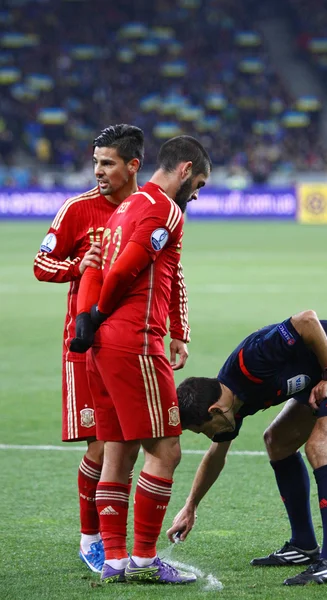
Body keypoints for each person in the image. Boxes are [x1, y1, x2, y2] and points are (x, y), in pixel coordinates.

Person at [71, 135, 212, 584]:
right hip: (134, 342)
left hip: (101, 347)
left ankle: (114, 560)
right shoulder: (164, 209)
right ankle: (147, 560)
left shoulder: (122, 209)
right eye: (200, 183)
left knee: (117, 451)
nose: (197, 193)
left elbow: (94, 265)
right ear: (185, 169)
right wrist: (96, 312)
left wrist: (85, 322)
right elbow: (125, 268)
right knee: (166, 449)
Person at [167, 310, 327, 586]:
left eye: (203, 429)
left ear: (215, 411)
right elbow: (216, 456)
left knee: (321, 447)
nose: (207, 436)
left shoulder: (251, 360)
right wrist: (191, 506)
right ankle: (304, 545)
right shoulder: (230, 407)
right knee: (277, 441)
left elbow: (306, 320)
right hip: (324, 372)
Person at [33, 124, 145, 573]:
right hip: (86, 345)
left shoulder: (149, 209)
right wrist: (80, 265)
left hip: (133, 344)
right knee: (101, 446)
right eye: (95, 162)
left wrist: (180, 331)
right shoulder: (78, 210)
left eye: (107, 163)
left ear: (132, 165)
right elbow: (42, 264)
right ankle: (91, 536)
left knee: (129, 444)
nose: (97, 171)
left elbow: (171, 273)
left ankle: (120, 541)